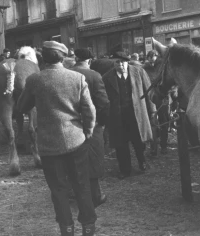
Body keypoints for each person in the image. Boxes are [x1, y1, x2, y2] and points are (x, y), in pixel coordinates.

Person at [17, 41, 97, 236]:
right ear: (63, 57)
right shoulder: (77, 78)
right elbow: (90, 111)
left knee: (58, 190)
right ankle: (88, 227)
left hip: (49, 144)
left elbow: (20, 108)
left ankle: (66, 229)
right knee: (82, 185)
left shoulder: (35, 80)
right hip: (76, 140)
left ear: (43, 57)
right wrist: (87, 131)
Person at [102, 51, 156, 180]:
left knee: (139, 141)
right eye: (117, 62)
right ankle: (125, 169)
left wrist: (152, 109)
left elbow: (149, 92)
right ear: (113, 63)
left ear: (127, 62)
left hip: (136, 114)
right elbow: (104, 98)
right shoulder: (107, 77)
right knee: (121, 144)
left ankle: (142, 162)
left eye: (122, 62)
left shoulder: (138, 72)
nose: (120, 64)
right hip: (118, 116)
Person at [70, 48, 110, 208]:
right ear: (89, 60)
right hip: (92, 125)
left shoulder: (67, 74)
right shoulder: (94, 75)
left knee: (74, 159)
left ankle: (75, 193)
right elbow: (103, 103)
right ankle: (96, 195)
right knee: (93, 158)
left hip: (71, 125)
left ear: (76, 59)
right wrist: (102, 122)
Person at [143, 50, 169, 156]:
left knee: (164, 122)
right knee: (152, 123)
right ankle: (154, 148)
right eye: (149, 57)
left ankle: (163, 146)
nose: (151, 59)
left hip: (162, 98)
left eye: (153, 57)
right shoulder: (144, 69)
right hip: (150, 99)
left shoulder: (163, 68)